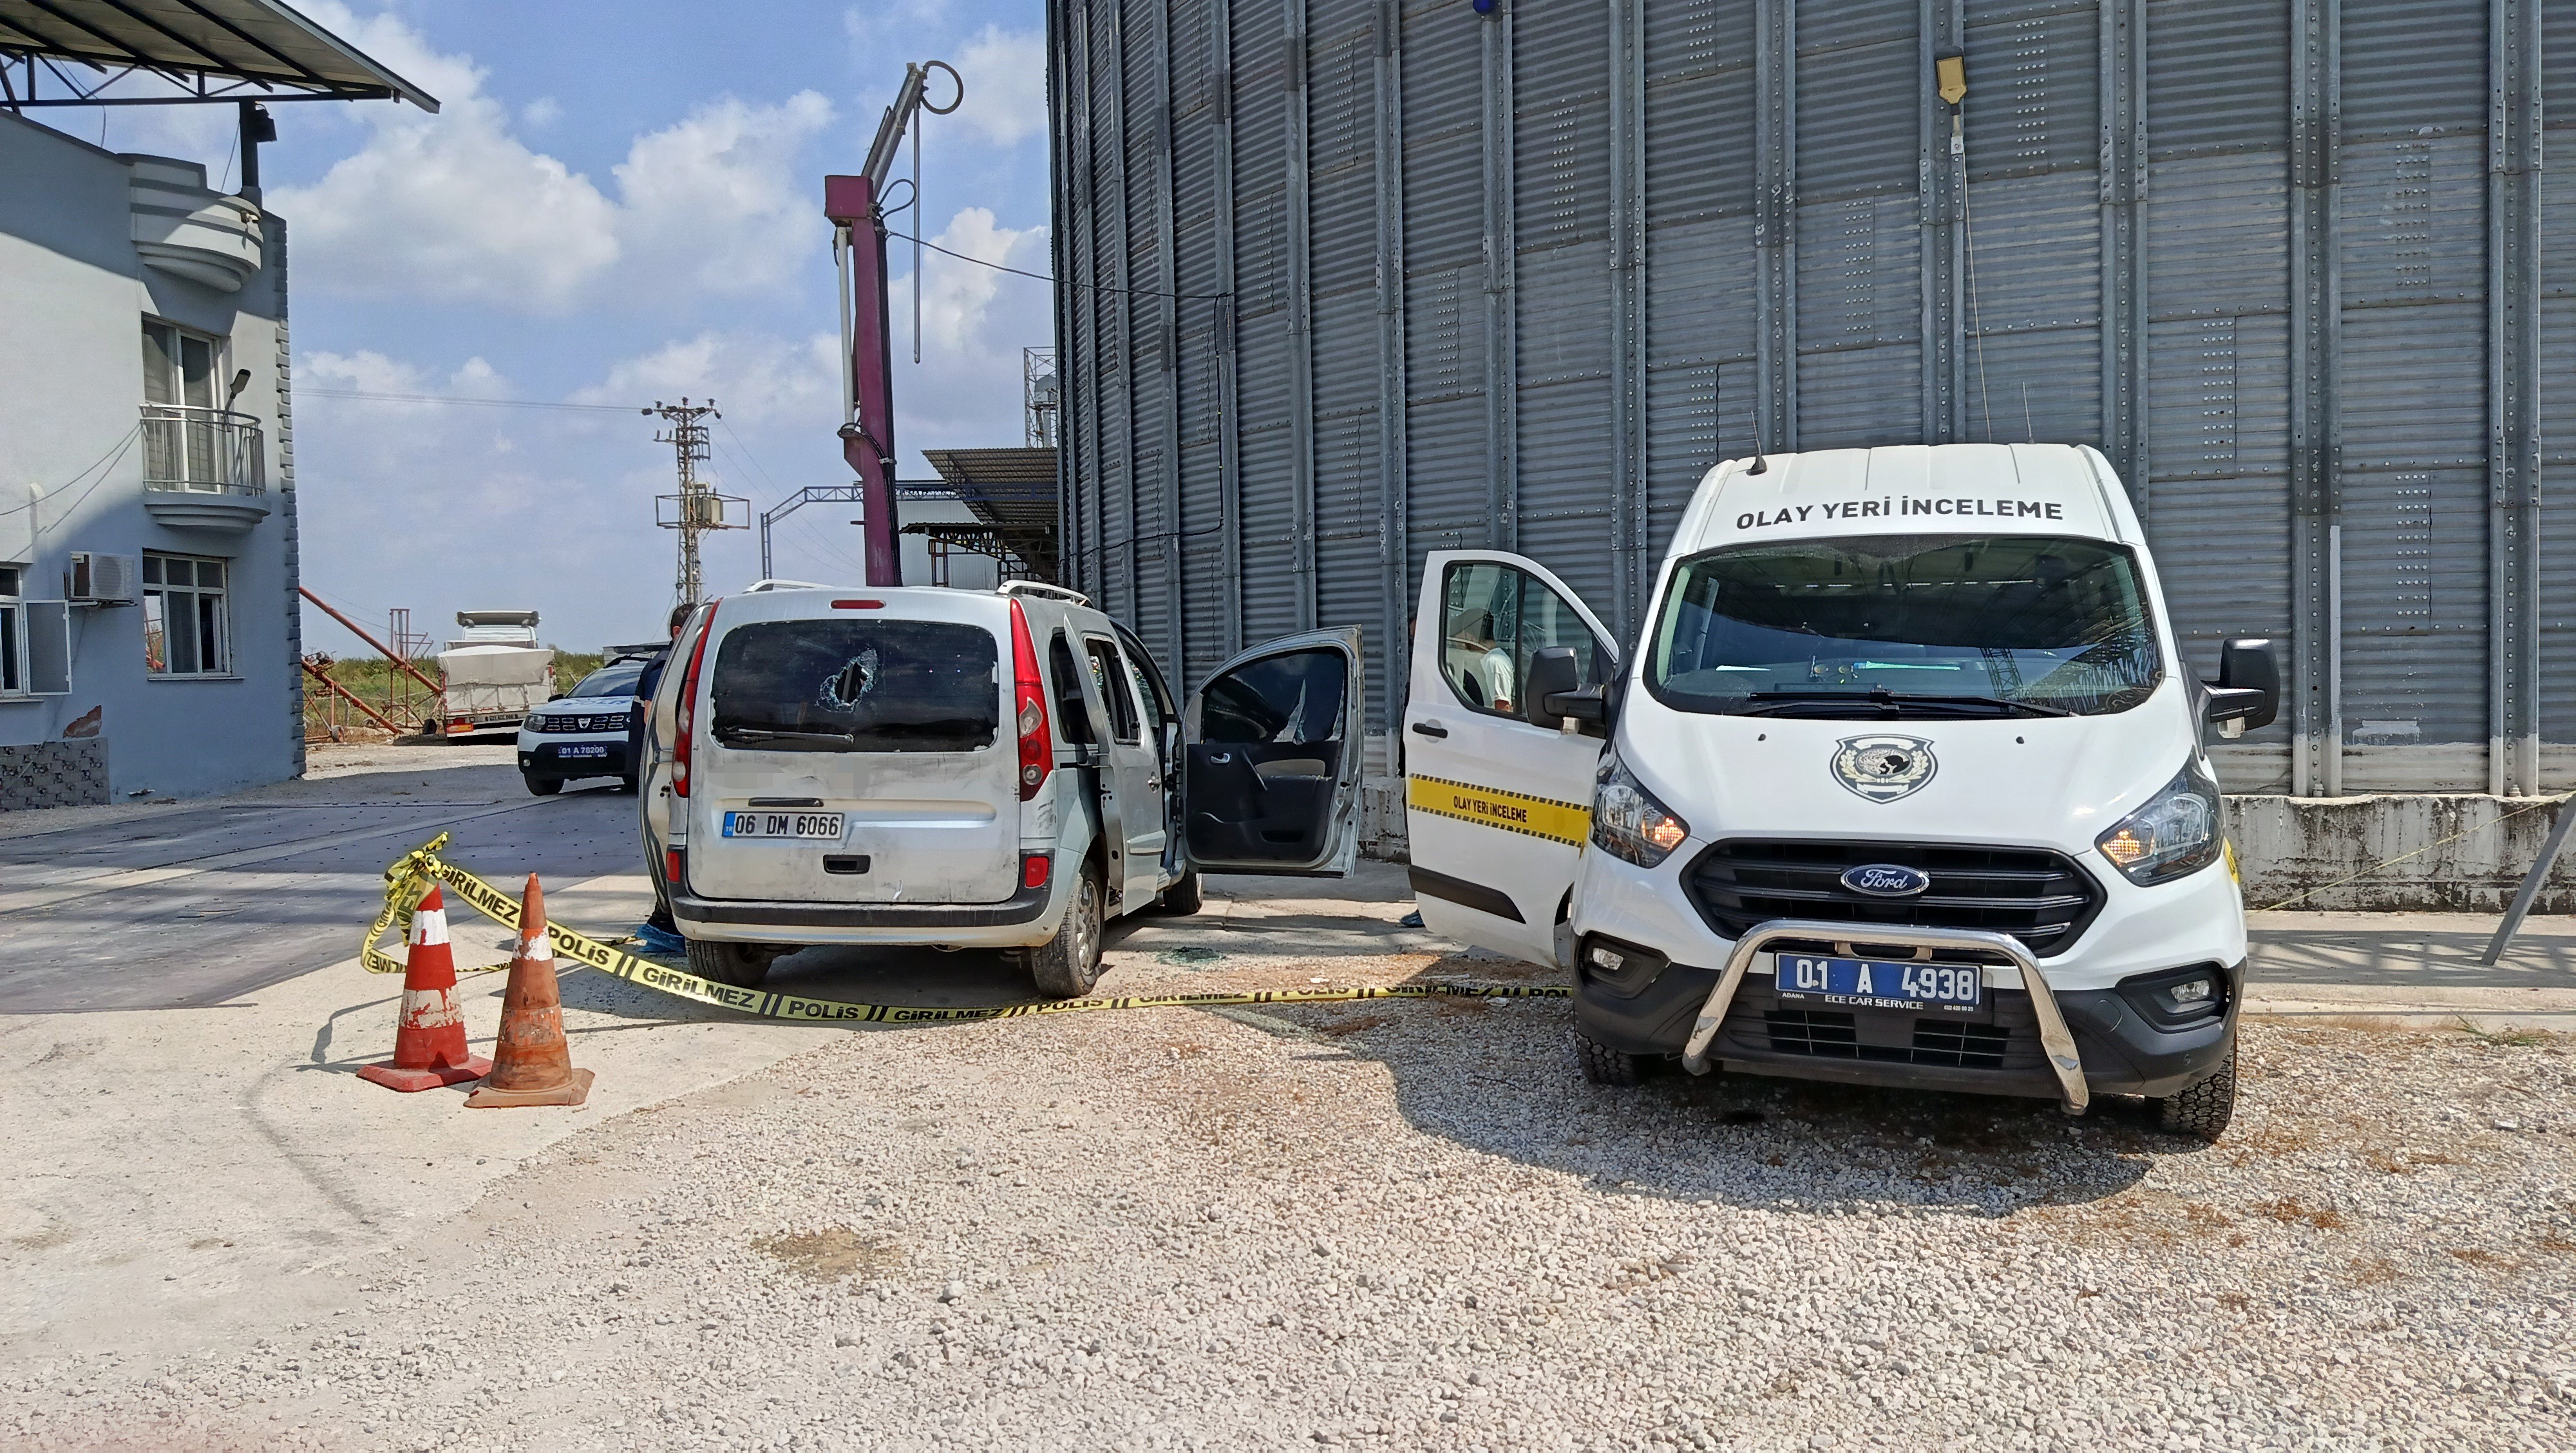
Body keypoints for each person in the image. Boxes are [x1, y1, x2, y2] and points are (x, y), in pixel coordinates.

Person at [634, 602, 694, 947]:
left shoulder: (672, 664)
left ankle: (665, 924)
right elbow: (657, 720)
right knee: (668, 845)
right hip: (665, 769)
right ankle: (664, 927)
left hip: (671, 768)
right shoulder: (665, 668)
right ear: (678, 634)